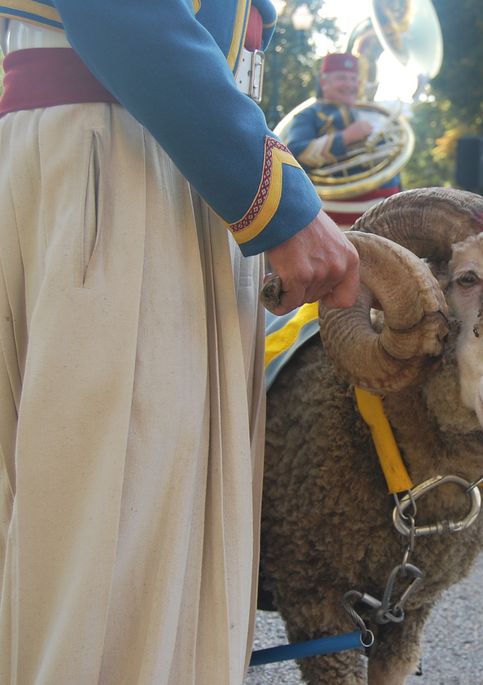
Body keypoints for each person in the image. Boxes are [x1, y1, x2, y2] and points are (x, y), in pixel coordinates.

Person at [0, 4, 359, 683]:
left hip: (163, 145)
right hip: (130, 146)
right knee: (120, 592)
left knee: (132, 577)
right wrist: (274, 195)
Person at [280, 52, 400, 227]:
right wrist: (345, 138)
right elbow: (294, 155)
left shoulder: (370, 114)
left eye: (353, 79)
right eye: (342, 78)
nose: (350, 84)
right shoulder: (308, 115)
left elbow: (392, 160)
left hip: (383, 212)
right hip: (331, 216)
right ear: (324, 82)